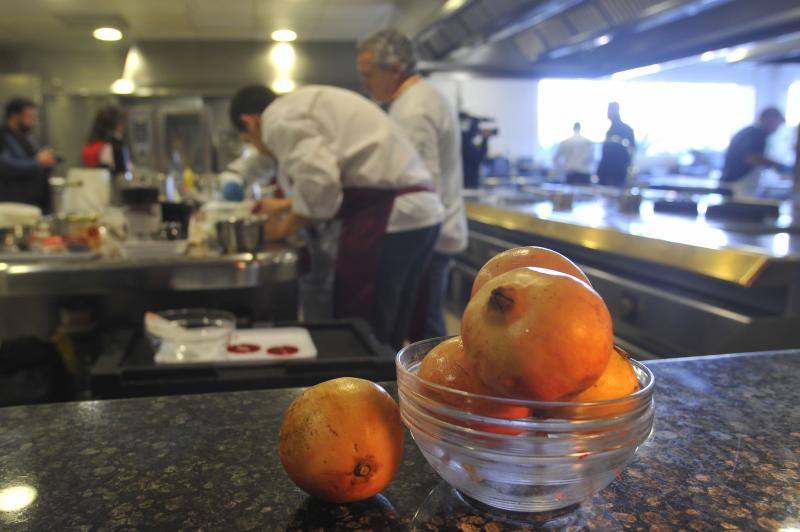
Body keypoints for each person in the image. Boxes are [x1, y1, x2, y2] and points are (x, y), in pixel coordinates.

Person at [229, 84, 443, 349]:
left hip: (392, 217)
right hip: (419, 214)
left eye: (250, 142)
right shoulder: (301, 104)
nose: (260, 151)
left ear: (249, 122)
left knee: (369, 332)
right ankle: (388, 385)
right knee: (392, 328)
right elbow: (334, 181)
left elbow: (320, 184)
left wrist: (284, 228)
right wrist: (285, 205)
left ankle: (368, 388)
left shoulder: (277, 118)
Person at [356, 28, 468, 340]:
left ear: (394, 68)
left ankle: (436, 389)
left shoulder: (413, 109)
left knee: (423, 331)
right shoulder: (421, 98)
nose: (365, 84)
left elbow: (422, 185)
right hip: (436, 230)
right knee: (421, 324)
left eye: (368, 75)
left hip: (429, 234)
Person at [0, 97, 56, 210]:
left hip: (35, 200)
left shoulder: (29, 137)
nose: (34, 120)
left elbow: (38, 157)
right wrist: (38, 162)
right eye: (30, 116)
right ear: (15, 116)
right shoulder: (3, 136)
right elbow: (5, 165)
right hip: (13, 202)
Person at [722, 107, 787, 183]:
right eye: (777, 124)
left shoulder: (751, 132)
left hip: (736, 182)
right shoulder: (755, 134)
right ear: (769, 119)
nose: (777, 128)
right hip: (737, 182)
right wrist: (777, 165)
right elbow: (750, 157)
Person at [82, 106, 131, 174]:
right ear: (115, 125)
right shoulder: (110, 147)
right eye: (121, 123)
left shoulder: (91, 145)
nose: (124, 127)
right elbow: (123, 169)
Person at [596, 102, 635, 187]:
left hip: (616, 174)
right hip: (607, 174)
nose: (608, 113)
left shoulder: (626, 130)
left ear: (616, 111)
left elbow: (631, 152)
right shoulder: (609, 131)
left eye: (609, 110)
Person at [460, 112, 491, 188]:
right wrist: (485, 140)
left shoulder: (463, 143)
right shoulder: (466, 145)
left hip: (466, 181)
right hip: (468, 182)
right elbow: (478, 158)